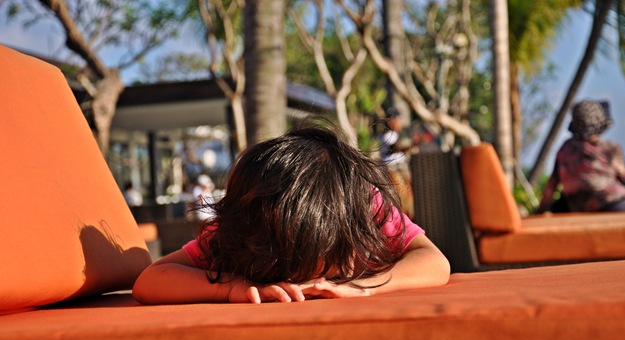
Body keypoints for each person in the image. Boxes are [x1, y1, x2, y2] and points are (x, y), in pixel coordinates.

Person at [133, 120, 450, 305]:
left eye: (327, 272)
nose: (309, 285)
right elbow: (150, 280)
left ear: (352, 234)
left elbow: (435, 261)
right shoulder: (245, 227)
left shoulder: (365, 208)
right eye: (283, 270)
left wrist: (363, 286)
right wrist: (231, 286)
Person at [537, 99, 625, 214]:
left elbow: (551, 187)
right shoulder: (610, 148)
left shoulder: (565, 149)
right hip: (613, 204)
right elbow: (624, 177)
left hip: (576, 206)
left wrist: (538, 212)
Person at [378, 107, 415, 218]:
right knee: (401, 197)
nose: (400, 122)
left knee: (407, 196)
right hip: (392, 169)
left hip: (400, 168)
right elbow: (396, 147)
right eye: (397, 119)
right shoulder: (387, 135)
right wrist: (411, 146)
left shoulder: (396, 134)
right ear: (390, 121)